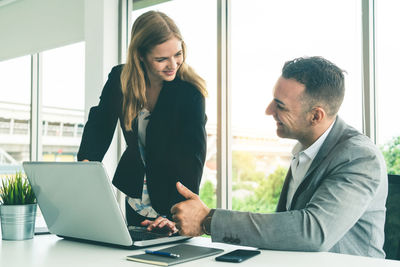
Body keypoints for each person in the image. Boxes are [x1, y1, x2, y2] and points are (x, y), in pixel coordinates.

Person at [171, 56, 388, 258]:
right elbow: (287, 230)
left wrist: (209, 220)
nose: (268, 110)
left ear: (316, 116)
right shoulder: (304, 150)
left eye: (280, 105)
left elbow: (313, 231)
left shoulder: (359, 156)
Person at [77, 11, 207, 234]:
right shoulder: (120, 79)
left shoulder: (190, 93)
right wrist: (86, 166)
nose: (173, 64)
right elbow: (100, 123)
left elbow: (193, 155)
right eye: (161, 59)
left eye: (178, 54)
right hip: (137, 194)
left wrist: (180, 212)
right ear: (140, 55)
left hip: (173, 199)